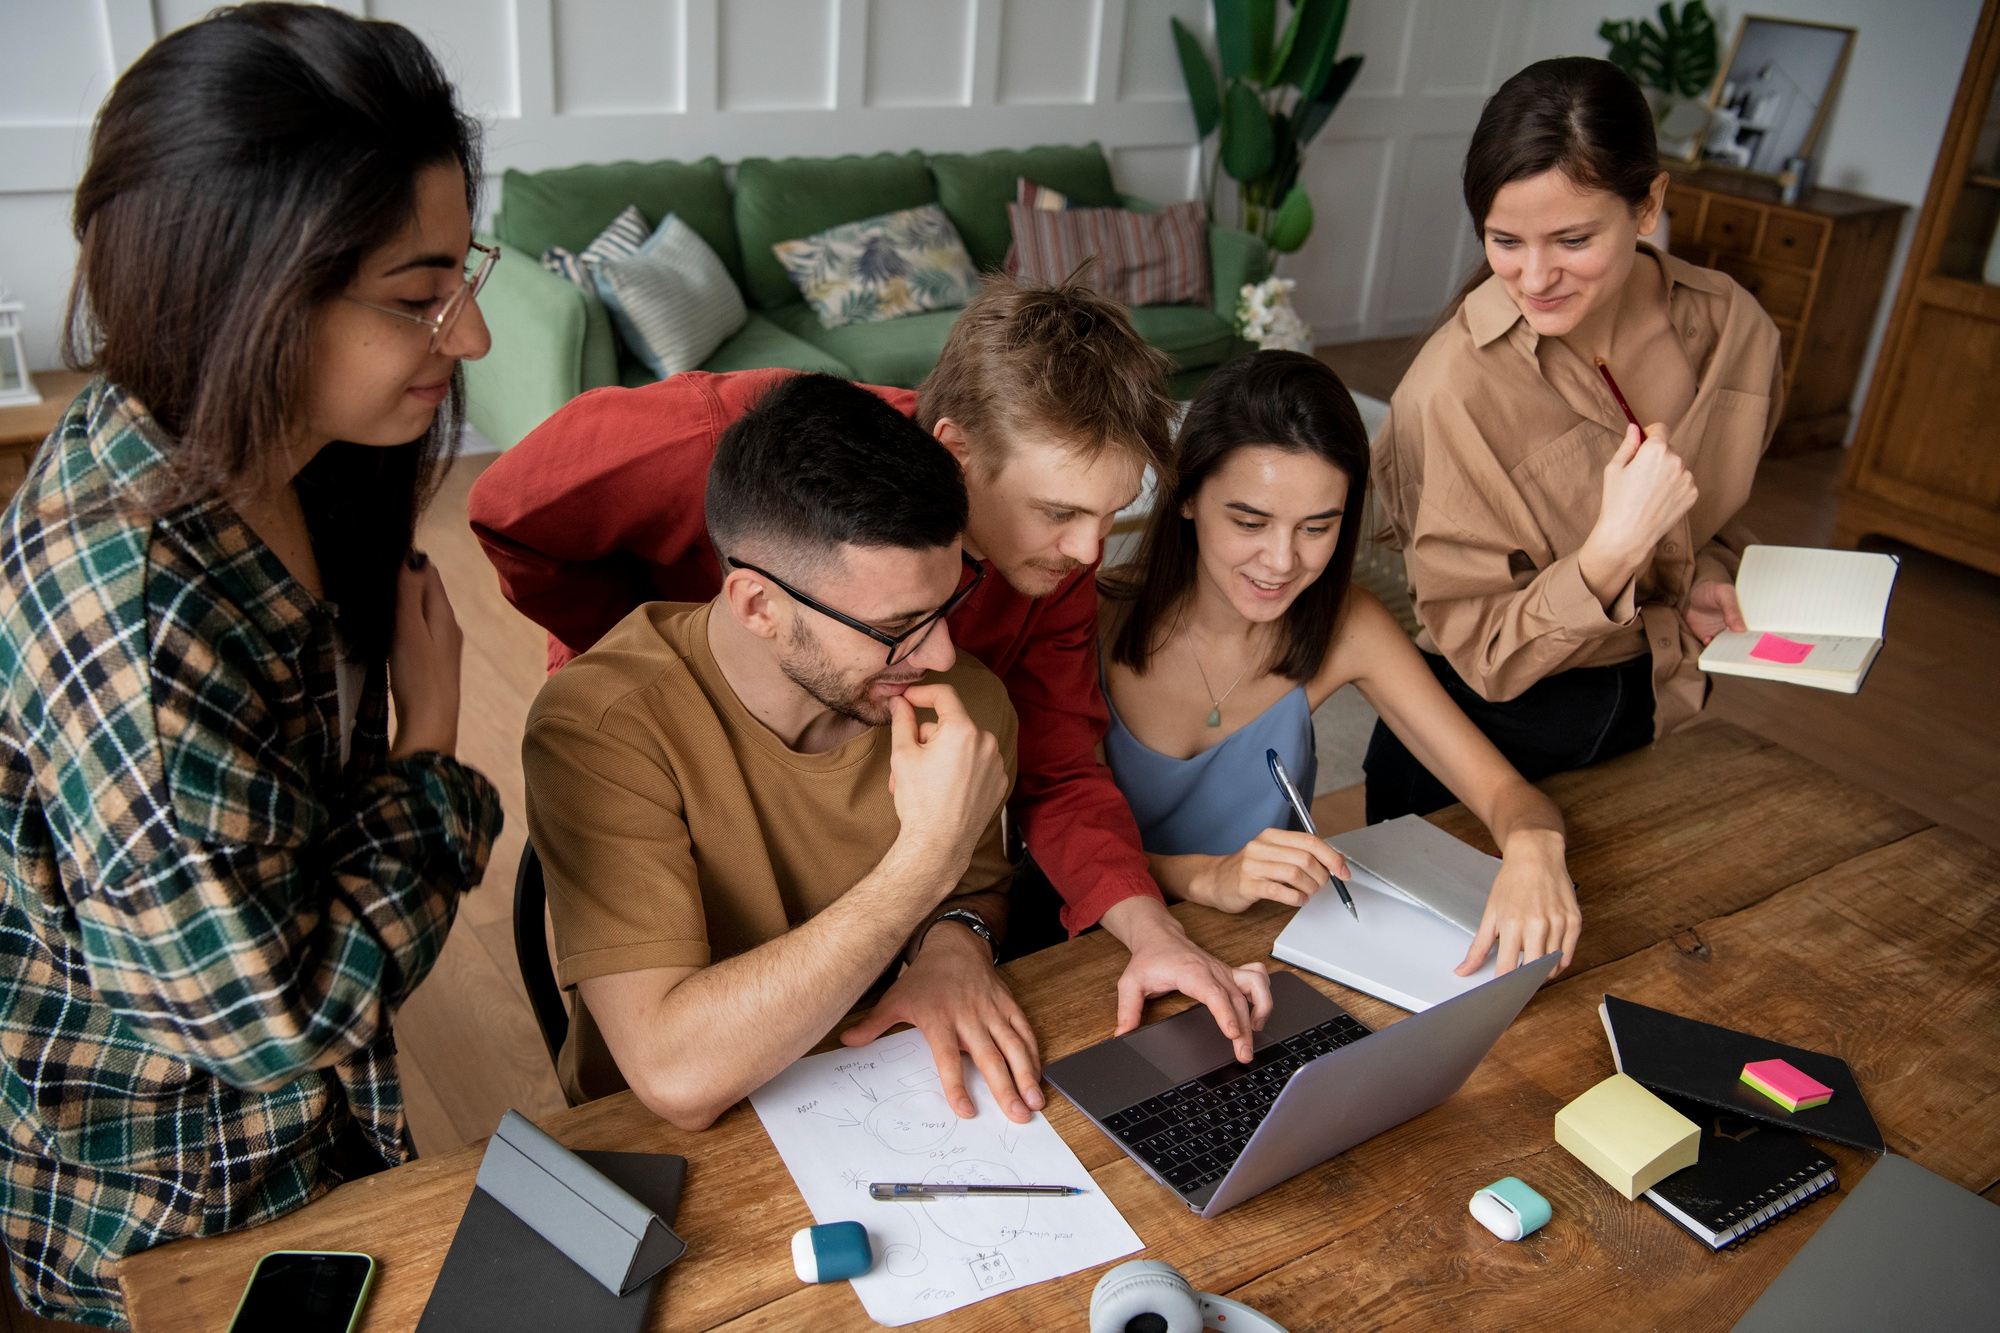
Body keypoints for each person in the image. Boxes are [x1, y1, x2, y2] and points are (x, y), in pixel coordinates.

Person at [0, 6, 504, 1325]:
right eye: (418, 298)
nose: (470, 341)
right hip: (180, 1204)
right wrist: (433, 751)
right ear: (243, 284)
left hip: (312, 1142)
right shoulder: (146, 632)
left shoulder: (279, 445)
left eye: (464, 276)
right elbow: (274, 1028)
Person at [471, 276, 1278, 1064]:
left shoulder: (1039, 590)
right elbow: (511, 512)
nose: (1089, 554)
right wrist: (656, 658)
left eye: (1112, 517)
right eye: (1060, 512)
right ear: (957, 452)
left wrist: (1151, 934)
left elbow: (1061, 773)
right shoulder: (738, 441)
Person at [522, 374, 1034, 1128]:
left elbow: (973, 889)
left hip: (884, 1094)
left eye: (951, 602)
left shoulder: (963, 701)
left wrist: (958, 942)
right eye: (899, 624)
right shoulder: (600, 726)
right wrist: (925, 858)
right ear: (759, 606)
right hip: (670, 1145)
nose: (940, 652)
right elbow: (675, 1073)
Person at [1367, 57, 1783, 821]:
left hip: (1657, 712)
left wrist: (1703, 573)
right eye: (1503, 241)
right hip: (1478, 753)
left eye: (1571, 239)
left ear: (1649, 203)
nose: (1533, 277)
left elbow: (1709, 517)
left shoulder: (1735, 333)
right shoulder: (1449, 392)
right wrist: (1609, 556)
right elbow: (1483, 651)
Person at [1101, 352, 1581, 976]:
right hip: (1096, 944)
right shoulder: (1091, 618)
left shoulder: (1348, 626)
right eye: (1250, 521)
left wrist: (1534, 847)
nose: (1281, 561)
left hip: (1261, 952)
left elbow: (1508, 794)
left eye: (1316, 528)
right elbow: (1052, 837)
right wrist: (1206, 876)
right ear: (1187, 495)